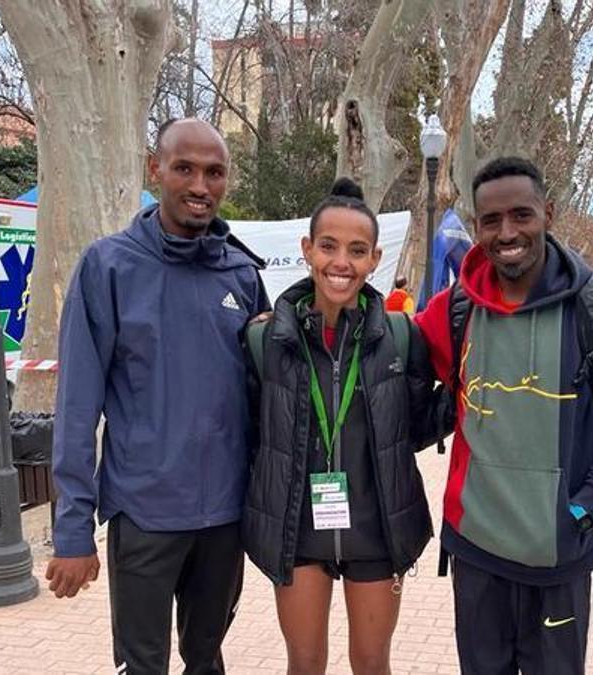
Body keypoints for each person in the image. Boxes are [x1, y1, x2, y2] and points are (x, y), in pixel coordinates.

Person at [48, 118, 270, 674]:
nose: (200, 185)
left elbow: (267, 401)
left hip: (225, 517)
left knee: (206, 660)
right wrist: (73, 531)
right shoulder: (108, 267)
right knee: (142, 666)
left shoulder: (242, 275)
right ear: (156, 169)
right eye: (185, 169)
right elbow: (77, 409)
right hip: (144, 515)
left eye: (214, 172)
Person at [415, 157, 593, 674]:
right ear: (476, 227)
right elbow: (379, 358)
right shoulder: (455, 310)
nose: (507, 232)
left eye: (521, 215)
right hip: (476, 552)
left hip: (560, 558)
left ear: (548, 212)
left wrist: (581, 510)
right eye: (491, 220)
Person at [243, 178, 444, 675]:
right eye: (328, 247)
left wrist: (469, 399)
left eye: (357, 251)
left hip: (378, 530)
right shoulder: (265, 339)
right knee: (305, 664)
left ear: (374, 259)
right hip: (298, 530)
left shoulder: (400, 336)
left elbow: (414, 427)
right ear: (308, 249)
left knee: (372, 664)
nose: (341, 263)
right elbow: (251, 434)